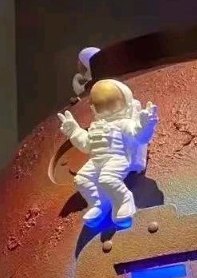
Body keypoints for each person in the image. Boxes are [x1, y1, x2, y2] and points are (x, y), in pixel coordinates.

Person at [58, 80, 157, 224]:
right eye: (101, 105)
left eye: (111, 103)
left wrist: (147, 123)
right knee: (82, 179)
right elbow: (87, 144)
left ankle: (124, 201)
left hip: (116, 159)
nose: (106, 108)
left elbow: (139, 135)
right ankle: (99, 202)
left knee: (107, 179)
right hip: (97, 160)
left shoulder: (123, 123)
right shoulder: (95, 126)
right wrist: (74, 131)